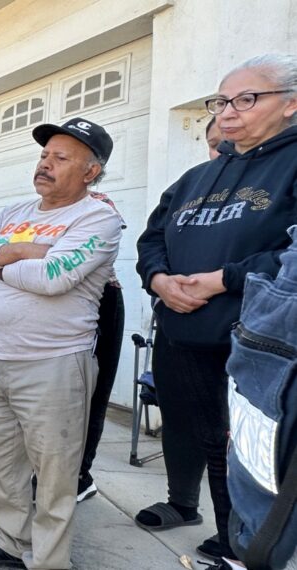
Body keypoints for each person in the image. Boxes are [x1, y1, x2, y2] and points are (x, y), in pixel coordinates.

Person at [134, 53, 297, 563]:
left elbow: (289, 256)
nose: (228, 111)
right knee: (186, 426)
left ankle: (243, 542)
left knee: (246, 448)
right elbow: (152, 237)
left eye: (246, 99)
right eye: (222, 100)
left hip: (254, 345)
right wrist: (160, 279)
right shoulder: (197, 176)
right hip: (180, 331)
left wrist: (219, 280)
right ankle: (189, 507)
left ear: (291, 103)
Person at [0, 117, 122, 569]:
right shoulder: (14, 213)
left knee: (54, 474)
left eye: (60, 158)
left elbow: (55, 277)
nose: (45, 164)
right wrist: (16, 252)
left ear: (90, 172)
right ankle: (12, 542)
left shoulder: (99, 218)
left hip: (55, 364)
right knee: (2, 464)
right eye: (44, 155)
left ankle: (48, 561)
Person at [74, 188, 126, 503]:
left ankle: (81, 476)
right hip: (54, 306)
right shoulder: (36, 209)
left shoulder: (100, 203)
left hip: (99, 300)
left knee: (92, 391)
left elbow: (70, 254)